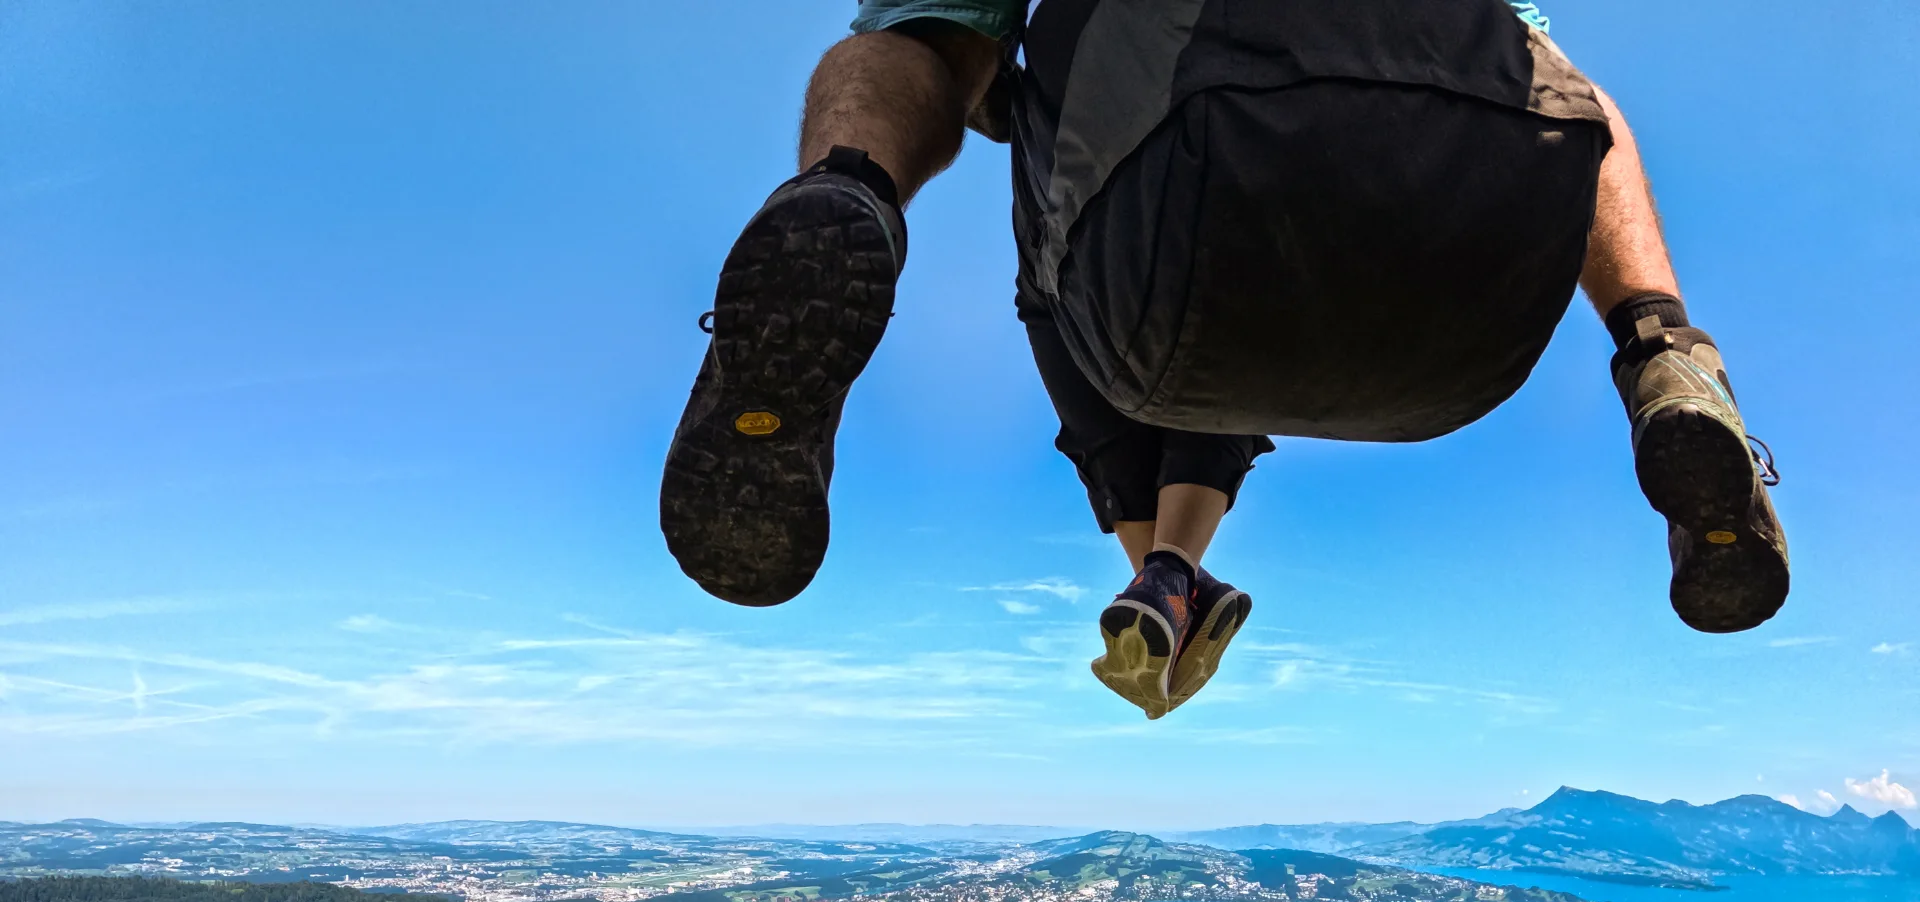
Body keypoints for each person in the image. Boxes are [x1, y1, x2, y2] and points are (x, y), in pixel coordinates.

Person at [660, 0, 1787, 720]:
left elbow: (930, 38)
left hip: (1177, 239)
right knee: (1548, 76)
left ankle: (846, 193)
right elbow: (1551, 80)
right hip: (1471, 307)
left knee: (1055, 170)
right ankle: (1663, 352)